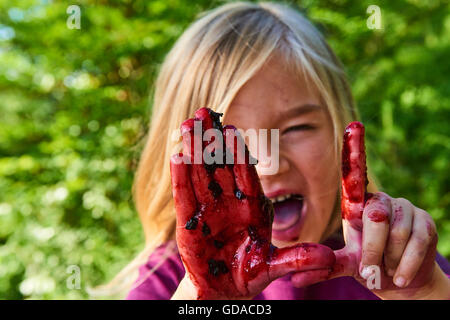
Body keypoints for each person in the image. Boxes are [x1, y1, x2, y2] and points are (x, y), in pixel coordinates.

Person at [113, 2, 449, 299]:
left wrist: (423, 293)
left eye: (297, 129)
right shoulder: (167, 281)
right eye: (229, 143)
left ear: (341, 140)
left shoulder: (394, 261)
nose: (269, 165)